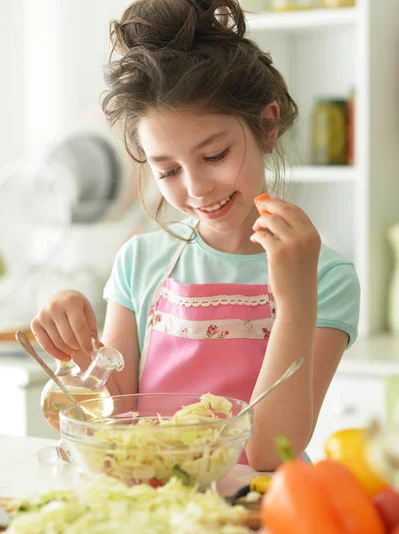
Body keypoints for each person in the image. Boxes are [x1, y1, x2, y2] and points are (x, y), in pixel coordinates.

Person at [31, 0, 360, 471]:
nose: (196, 188)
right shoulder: (140, 259)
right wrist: (80, 345)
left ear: (267, 126)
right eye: (168, 170)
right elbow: (116, 412)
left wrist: (295, 298)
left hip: (260, 513)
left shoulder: (326, 274)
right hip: (155, 505)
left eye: (215, 155)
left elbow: (270, 453)